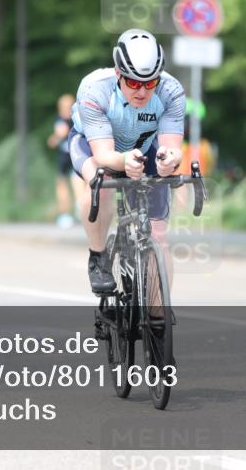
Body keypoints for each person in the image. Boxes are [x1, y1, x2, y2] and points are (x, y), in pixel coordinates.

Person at [67, 28, 185, 294]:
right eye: (133, 82)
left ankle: (158, 313)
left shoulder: (171, 90)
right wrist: (123, 162)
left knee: (158, 234)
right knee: (100, 183)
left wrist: (170, 160)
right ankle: (98, 257)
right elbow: (104, 155)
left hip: (143, 148)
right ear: (118, 72)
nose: (142, 91)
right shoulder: (95, 88)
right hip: (93, 145)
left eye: (150, 83)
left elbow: (172, 148)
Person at [47, 94, 79, 228]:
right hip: (77, 154)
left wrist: (53, 139)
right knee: (77, 182)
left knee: (63, 184)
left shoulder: (61, 119)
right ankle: (79, 208)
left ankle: (66, 215)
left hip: (66, 156)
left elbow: (61, 132)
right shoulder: (78, 118)